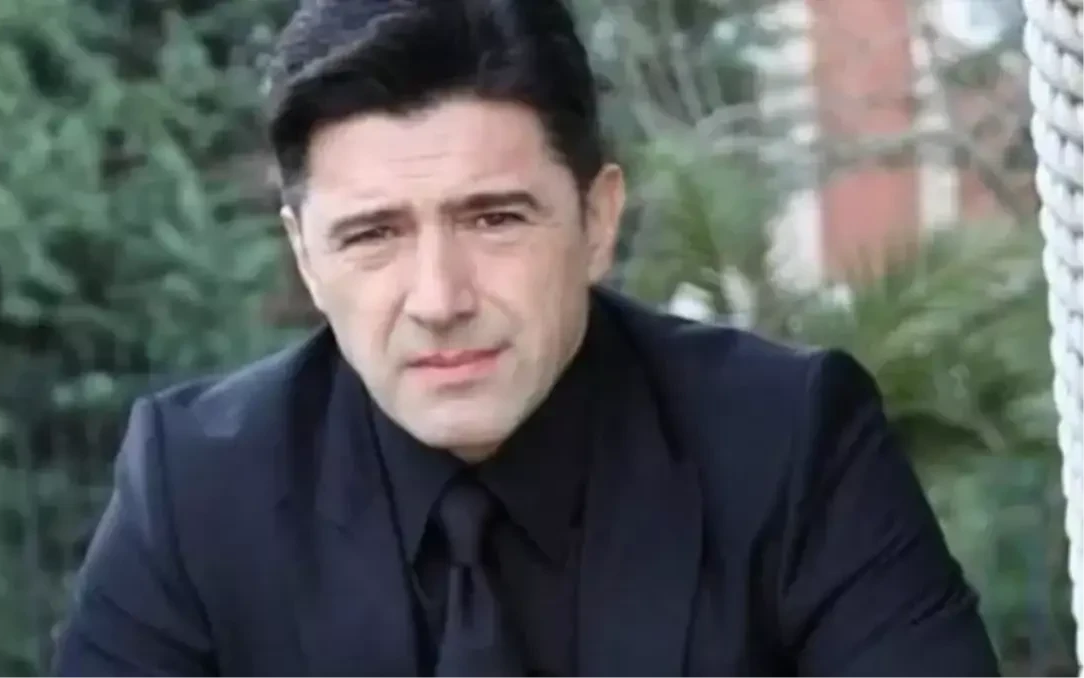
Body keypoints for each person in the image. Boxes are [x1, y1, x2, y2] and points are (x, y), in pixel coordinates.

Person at [50, 0, 1002, 675]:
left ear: (598, 220)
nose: (438, 298)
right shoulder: (196, 487)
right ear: (306, 256)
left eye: (495, 218)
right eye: (374, 235)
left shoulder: (789, 442)